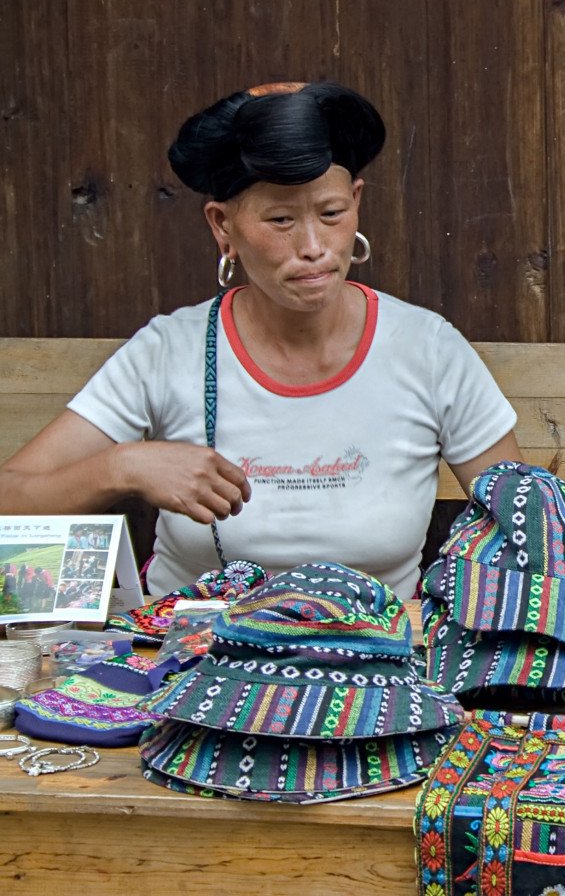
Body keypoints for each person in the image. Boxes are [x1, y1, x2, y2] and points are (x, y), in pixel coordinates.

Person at [0, 82, 521, 597]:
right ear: (223, 226)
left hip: (373, 661)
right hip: (191, 657)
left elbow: (528, 525)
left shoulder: (427, 351)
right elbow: (10, 499)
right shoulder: (167, 353)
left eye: (331, 213)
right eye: (280, 220)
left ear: (357, 203)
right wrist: (125, 466)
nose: (314, 247)